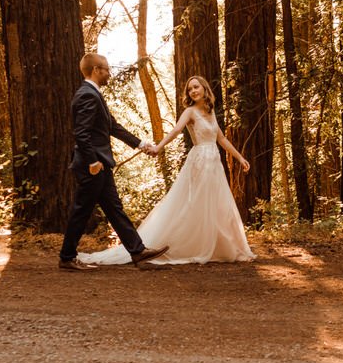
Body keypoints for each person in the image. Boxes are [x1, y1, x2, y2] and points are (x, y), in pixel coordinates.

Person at [79, 75, 255, 266]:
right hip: (199, 162)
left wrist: (240, 157)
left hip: (214, 163)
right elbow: (176, 131)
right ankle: (187, 246)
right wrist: (158, 147)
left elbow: (221, 139)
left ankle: (218, 246)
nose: (193, 91)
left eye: (196, 87)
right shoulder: (190, 112)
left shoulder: (210, 112)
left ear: (205, 88)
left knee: (217, 203)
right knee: (194, 203)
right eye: (190, 89)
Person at [59, 54, 168, 271]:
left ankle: (137, 252)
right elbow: (81, 133)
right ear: (96, 70)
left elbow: (113, 127)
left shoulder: (93, 94)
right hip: (93, 165)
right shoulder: (87, 95)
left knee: (114, 209)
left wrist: (142, 144)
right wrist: (92, 162)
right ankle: (67, 257)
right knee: (82, 210)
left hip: (100, 164)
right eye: (107, 69)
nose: (109, 73)